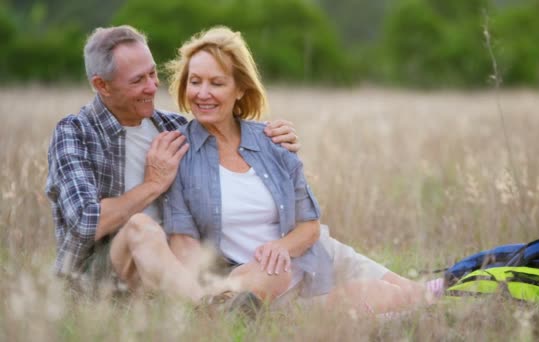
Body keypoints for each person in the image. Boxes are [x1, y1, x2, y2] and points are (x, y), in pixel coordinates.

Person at [160, 26, 442, 313]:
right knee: (383, 298)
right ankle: (252, 310)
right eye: (195, 82)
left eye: (216, 83)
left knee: (420, 296)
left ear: (240, 88)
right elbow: (183, 241)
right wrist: (201, 287)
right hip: (258, 279)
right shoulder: (178, 153)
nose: (202, 93)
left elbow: (309, 226)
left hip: (315, 255)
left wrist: (283, 246)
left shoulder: (273, 141)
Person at [45, 25, 300, 303]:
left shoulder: (173, 126)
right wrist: (153, 185)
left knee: (271, 272)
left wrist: (272, 137)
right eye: (137, 80)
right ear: (101, 85)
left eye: (153, 73)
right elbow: (85, 222)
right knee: (139, 227)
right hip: (102, 278)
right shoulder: (75, 133)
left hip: (178, 267)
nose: (153, 86)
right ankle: (207, 308)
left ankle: (212, 299)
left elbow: (228, 131)